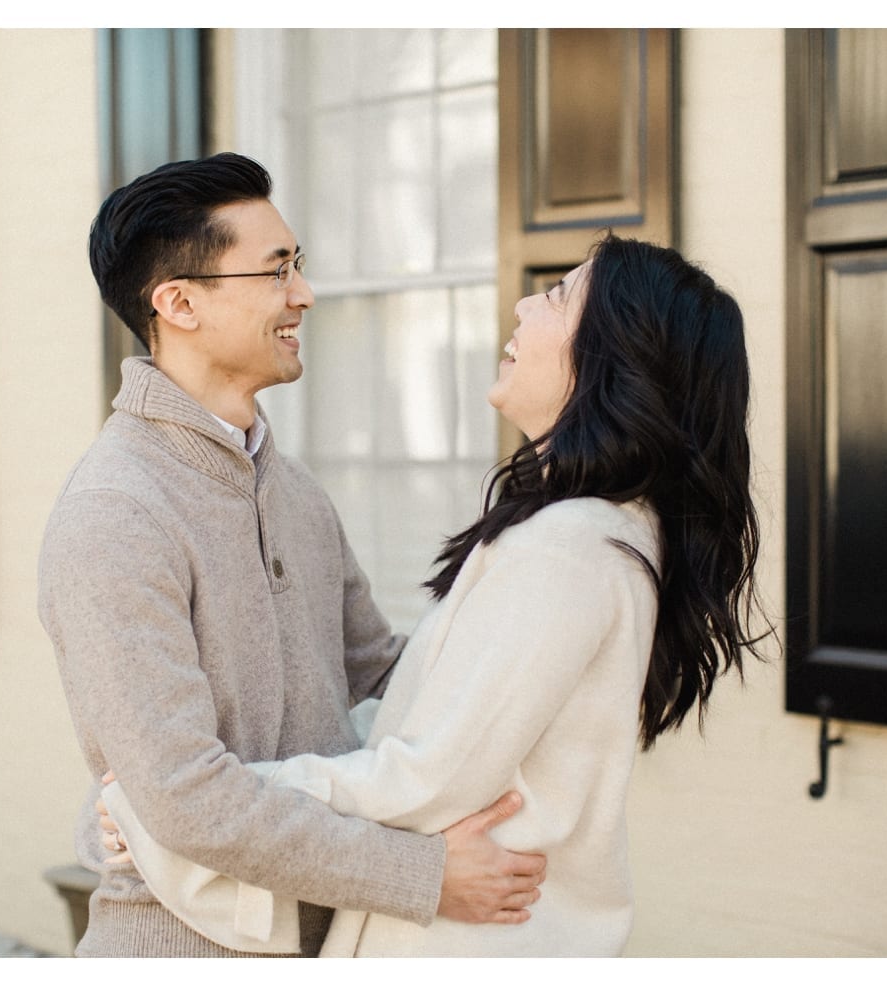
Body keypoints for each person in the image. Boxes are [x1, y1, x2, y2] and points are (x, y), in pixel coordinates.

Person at [95, 232, 767, 956]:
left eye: (560, 295)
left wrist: (174, 812)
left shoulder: (569, 549)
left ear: (616, 355)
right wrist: (182, 801)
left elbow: (423, 775)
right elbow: (417, 712)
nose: (524, 304)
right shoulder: (598, 537)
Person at [37, 152, 548, 958]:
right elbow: (185, 797)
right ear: (178, 303)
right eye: (276, 271)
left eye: (298, 266)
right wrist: (424, 875)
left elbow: (386, 682)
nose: (303, 294)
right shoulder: (115, 514)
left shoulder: (296, 493)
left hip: (339, 945)